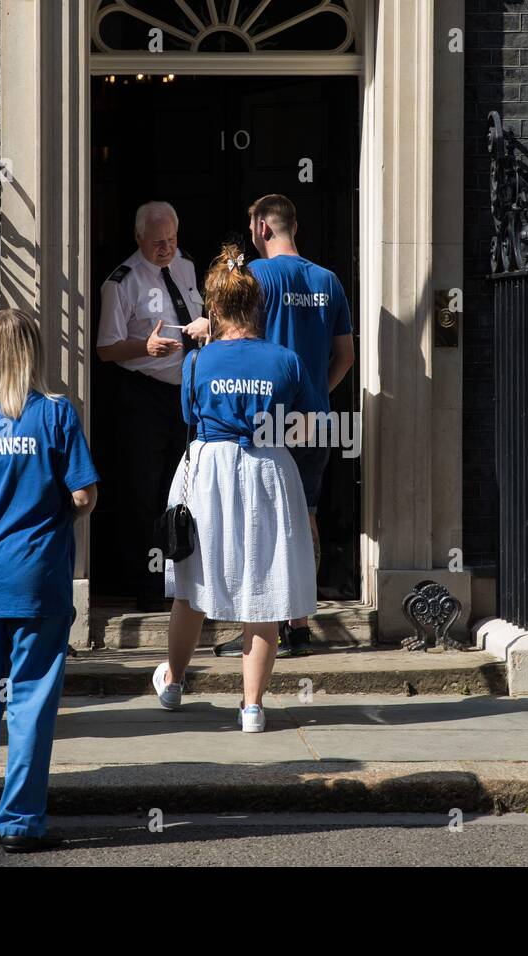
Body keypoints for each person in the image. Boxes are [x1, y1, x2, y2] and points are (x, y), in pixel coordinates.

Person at [0, 310, 99, 853]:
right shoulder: (56, 414)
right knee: (30, 702)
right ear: (32, 353)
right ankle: (20, 823)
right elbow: (83, 494)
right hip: (37, 576)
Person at [152, 243, 317, 733]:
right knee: (263, 588)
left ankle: (175, 683)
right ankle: (252, 708)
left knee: (192, 586)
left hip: (208, 470)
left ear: (214, 308)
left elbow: (190, 419)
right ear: (256, 306)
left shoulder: (197, 363)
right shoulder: (284, 360)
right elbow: (309, 426)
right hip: (268, 470)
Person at [213, 194, 352, 658]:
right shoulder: (328, 281)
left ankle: (258, 626)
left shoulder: (253, 276)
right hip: (313, 420)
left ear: (261, 228)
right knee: (303, 516)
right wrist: (316, 394)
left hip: (261, 416)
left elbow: (230, 339)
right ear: (294, 224)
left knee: (258, 520)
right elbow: (345, 356)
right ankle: (298, 625)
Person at [96, 201, 209, 611]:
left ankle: (184, 580)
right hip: (143, 395)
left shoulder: (187, 265)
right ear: (139, 237)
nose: (166, 248)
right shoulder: (121, 283)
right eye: (158, 242)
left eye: (172, 239)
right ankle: (146, 584)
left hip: (187, 395)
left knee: (183, 488)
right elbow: (106, 349)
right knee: (144, 492)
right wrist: (143, 346)